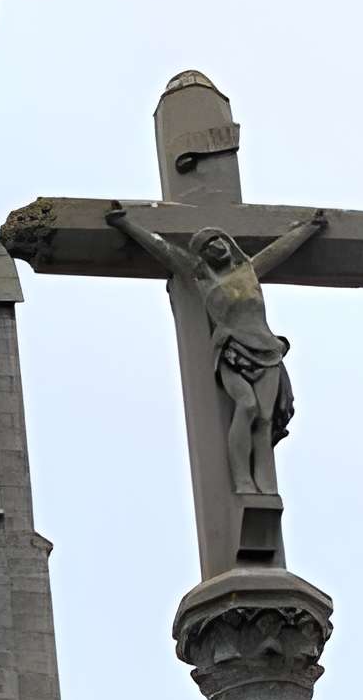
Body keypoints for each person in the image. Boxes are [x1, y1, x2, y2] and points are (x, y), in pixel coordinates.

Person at [106, 203, 327, 496]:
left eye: (219, 240)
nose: (216, 246)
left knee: (263, 420)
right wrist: (125, 224)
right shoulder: (203, 277)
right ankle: (243, 481)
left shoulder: (249, 270)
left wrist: (309, 228)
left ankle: (266, 484)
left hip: (267, 351)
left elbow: (279, 250)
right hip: (232, 349)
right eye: (207, 246)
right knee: (246, 405)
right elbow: (164, 251)